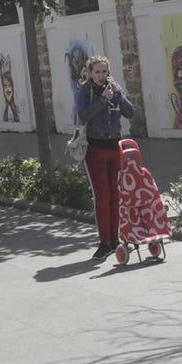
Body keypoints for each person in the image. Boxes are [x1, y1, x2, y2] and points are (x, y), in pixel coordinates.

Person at [75, 55, 135, 259]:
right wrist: (103, 100)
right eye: (97, 72)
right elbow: (82, 116)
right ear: (90, 73)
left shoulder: (114, 87)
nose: (101, 76)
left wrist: (118, 94)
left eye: (104, 71)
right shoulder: (85, 90)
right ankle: (104, 241)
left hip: (114, 147)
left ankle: (115, 238)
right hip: (95, 148)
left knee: (116, 195)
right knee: (102, 195)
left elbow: (130, 112)